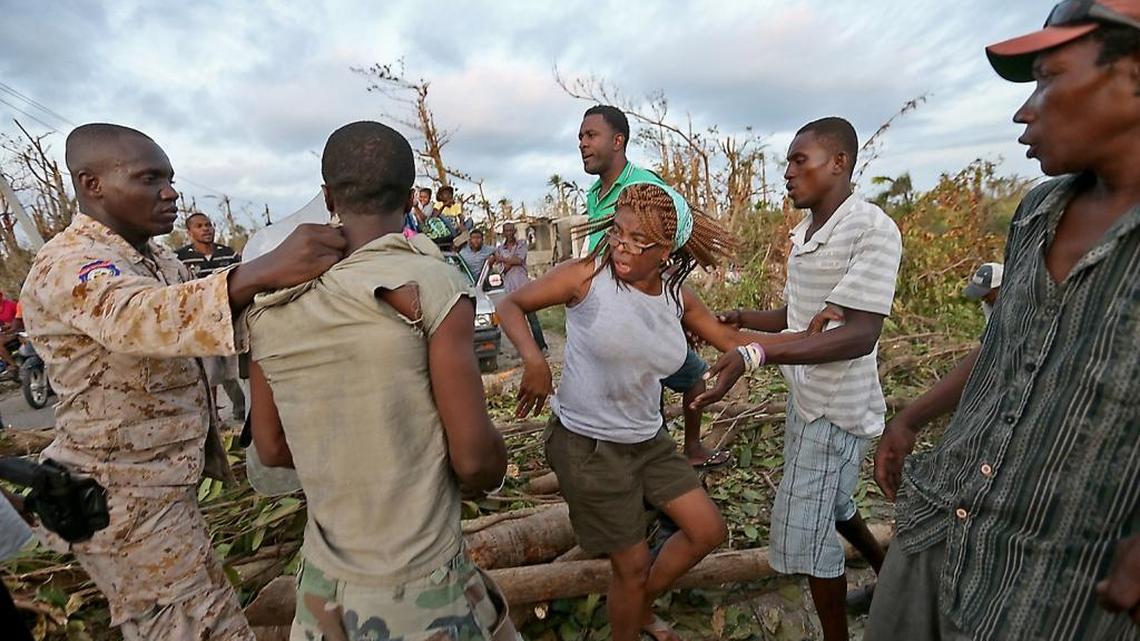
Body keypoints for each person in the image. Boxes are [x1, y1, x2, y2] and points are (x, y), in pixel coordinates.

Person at [866, 2, 1140, 638]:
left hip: (1056, 584)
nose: (1025, 109)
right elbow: (1007, 345)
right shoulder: (1041, 209)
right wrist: (911, 416)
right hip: (940, 520)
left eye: (1048, 77)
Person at [19, 122, 345, 641]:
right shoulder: (69, 264)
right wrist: (259, 271)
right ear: (92, 184)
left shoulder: (154, 257)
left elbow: (209, 323)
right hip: (123, 498)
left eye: (169, 178)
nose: (170, 192)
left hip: (160, 488)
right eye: (150, 179)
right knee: (198, 627)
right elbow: (139, 318)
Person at [497, 181, 828, 641]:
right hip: (589, 446)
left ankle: (635, 606)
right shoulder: (586, 275)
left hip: (648, 442)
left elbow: (732, 342)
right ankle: (629, 617)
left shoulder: (677, 298)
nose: (623, 247)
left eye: (639, 241)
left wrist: (808, 338)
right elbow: (510, 304)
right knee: (630, 567)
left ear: (667, 252)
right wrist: (534, 360)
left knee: (706, 530)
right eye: (618, 232)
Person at [246, 121, 517, 641]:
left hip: (323, 592)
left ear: (328, 196)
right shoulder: (433, 284)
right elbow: (476, 460)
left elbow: (272, 447)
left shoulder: (271, 305)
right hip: (421, 593)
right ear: (410, 195)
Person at [702, 117, 901, 641]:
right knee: (835, 507)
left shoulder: (870, 229)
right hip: (806, 400)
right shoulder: (807, 233)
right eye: (787, 161)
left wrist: (755, 354)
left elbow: (858, 334)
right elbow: (799, 314)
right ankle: (892, 578)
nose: (788, 173)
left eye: (799, 160)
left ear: (839, 163)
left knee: (806, 535)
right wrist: (747, 317)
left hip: (836, 408)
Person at [579, 105, 727, 468]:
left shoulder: (644, 189)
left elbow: (673, 245)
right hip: (607, 315)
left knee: (667, 387)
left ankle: (673, 466)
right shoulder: (594, 196)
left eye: (591, 135)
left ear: (618, 141)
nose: (582, 143)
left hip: (641, 317)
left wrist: (670, 314)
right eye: (581, 137)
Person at [175, 213, 246, 421]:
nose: (206, 229)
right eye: (199, 226)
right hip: (200, 322)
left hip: (229, 317)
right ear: (189, 232)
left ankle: (242, 407)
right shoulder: (180, 258)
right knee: (210, 371)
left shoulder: (227, 254)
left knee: (234, 369)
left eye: (208, 225)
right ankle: (214, 416)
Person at [495, 221, 547, 353]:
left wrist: (503, 259)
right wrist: (508, 261)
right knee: (519, 323)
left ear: (514, 232)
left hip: (524, 288)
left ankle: (542, 347)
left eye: (511, 230)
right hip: (510, 291)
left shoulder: (522, 244)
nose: (509, 233)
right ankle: (525, 351)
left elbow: (519, 260)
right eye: (506, 230)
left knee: (532, 319)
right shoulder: (500, 249)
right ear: (503, 233)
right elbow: (502, 269)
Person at [0, 290, 19, 375]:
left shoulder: (10, 305)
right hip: (4, 332)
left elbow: (20, 317)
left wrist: (10, 325)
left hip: (16, 331)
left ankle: (13, 365)